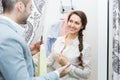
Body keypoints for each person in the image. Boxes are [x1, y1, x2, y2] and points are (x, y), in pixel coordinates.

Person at [0, 0, 70, 80]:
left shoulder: (4, 30)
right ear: (20, 6)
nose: (30, 13)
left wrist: (27, 52)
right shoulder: (9, 39)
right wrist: (56, 74)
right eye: (30, 7)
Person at [47, 10, 91, 80]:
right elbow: (49, 61)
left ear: (82, 26)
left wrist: (67, 64)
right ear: (67, 22)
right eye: (70, 21)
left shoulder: (85, 47)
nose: (72, 25)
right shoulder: (58, 41)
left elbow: (86, 74)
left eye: (76, 23)